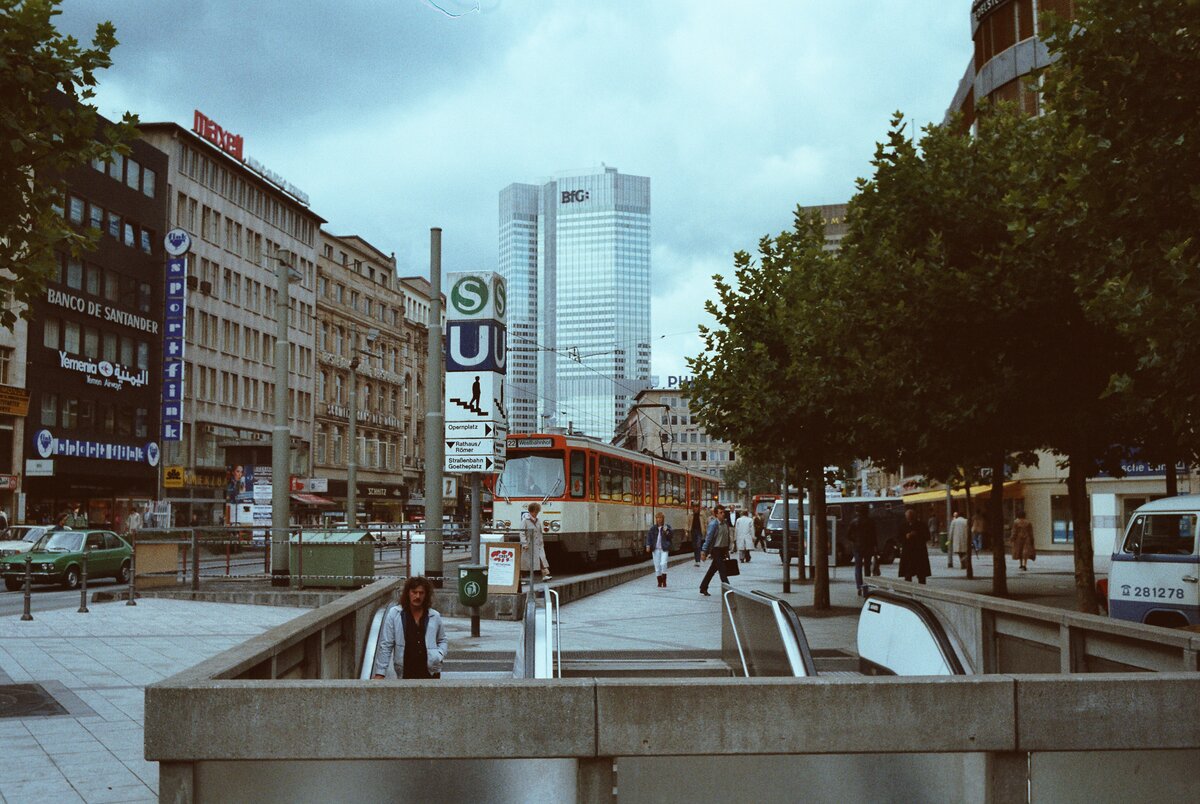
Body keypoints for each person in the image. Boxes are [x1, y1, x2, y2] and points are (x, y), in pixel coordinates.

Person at [370, 576, 448, 679]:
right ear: (408, 593)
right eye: (414, 592)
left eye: (421, 593)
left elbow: (442, 640)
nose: (417, 596)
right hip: (406, 671)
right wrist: (380, 673)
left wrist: (438, 655)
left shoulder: (434, 616)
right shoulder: (395, 614)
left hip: (430, 672)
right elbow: (386, 644)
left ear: (426, 595)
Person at [699, 506, 732, 596]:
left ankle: (703, 587)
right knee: (722, 569)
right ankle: (728, 589)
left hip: (723, 549)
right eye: (720, 513)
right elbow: (708, 538)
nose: (723, 514)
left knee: (712, 570)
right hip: (716, 549)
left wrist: (727, 550)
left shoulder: (725, 523)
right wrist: (704, 551)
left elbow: (727, 537)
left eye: (723, 512)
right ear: (716, 514)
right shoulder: (713, 524)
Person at [846, 504, 878, 596]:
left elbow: (848, 535)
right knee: (867, 567)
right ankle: (866, 587)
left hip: (857, 547)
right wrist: (875, 547)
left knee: (858, 567)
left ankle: (859, 586)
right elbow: (874, 536)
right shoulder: (871, 522)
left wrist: (854, 540)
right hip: (868, 547)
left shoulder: (854, 522)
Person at [898, 508, 932, 584]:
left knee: (921, 574)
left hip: (919, 552)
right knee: (908, 574)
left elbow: (927, 537)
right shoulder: (903, 526)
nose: (910, 520)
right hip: (908, 552)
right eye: (908, 518)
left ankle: (922, 589)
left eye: (911, 518)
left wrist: (917, 535)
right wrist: (906, 536)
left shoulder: (921, 525)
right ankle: (909, 589)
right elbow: (899, 538)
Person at [522, 502, 551, 580]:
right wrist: (524, 544)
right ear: (531, 511)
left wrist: (541, 542)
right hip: (529, 544)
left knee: (541, 558)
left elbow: (540, 532)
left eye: (537, 512)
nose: (536, 513)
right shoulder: (525, 520)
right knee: (526, 562)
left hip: (538, 544)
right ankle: (522, 577)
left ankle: (545, 574)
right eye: (535, 512)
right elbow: (522, 533)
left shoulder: (538, 520)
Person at [645, 512, 672, 587]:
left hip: (664, 549)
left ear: (663, 519)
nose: (659, 520)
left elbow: (671, 536)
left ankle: (664, 580)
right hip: (655, 549)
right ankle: (659, 582)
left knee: (663, 563)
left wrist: (666, 531)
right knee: (657, 566)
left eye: (660, 518)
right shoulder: (653, 528)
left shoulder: (667, 527)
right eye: (657, 518)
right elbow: (649, 537)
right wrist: (648, 545)